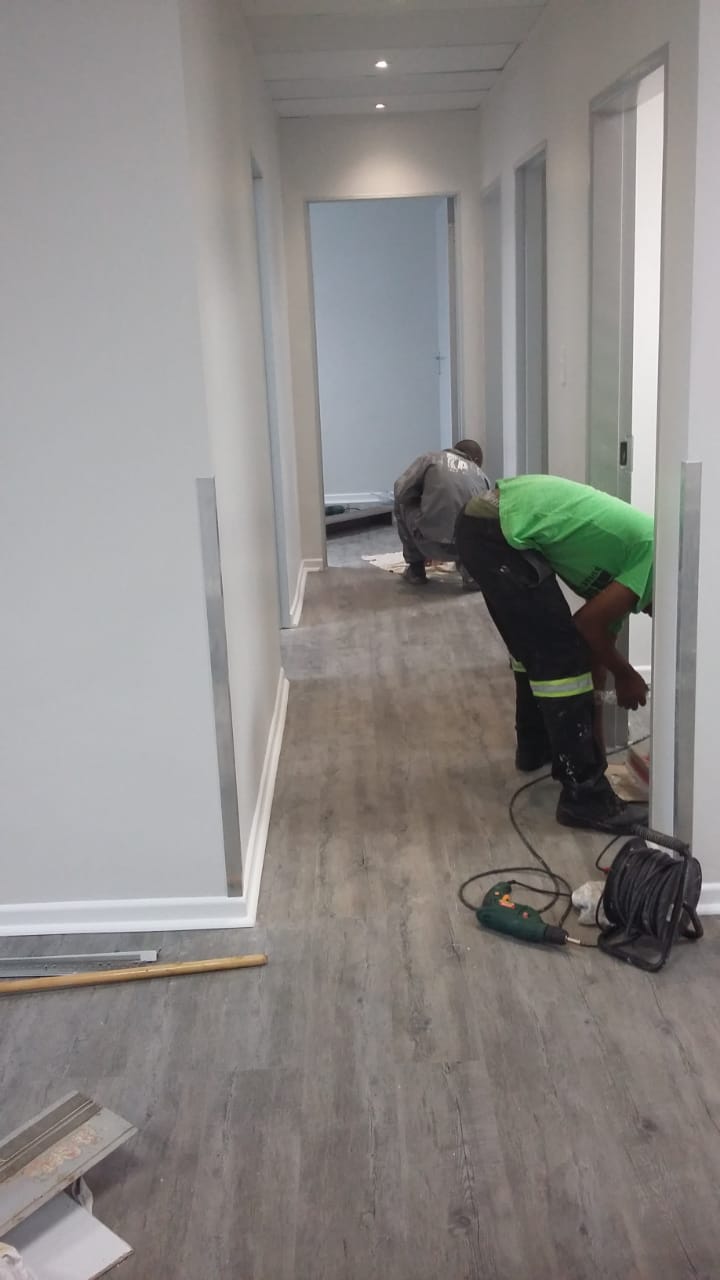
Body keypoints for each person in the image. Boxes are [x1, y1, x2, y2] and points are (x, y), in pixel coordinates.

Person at [455, 474, 652, 834]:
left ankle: (537, 747)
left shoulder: (629, 578)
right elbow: (585, 626)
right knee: (560, 656)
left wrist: (595, 751)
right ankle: (586, 800)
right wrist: (626, 674)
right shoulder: (653, 558)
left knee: (537, 647)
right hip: (497, 528)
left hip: (487, 523)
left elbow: (594, 658)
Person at [393, 440, 491, 586]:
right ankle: (471, 574)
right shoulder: (482, 476)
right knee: (476, 519)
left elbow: (400, 490)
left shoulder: (431, 459)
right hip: (465, 548)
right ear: (476, 460)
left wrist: (422, 500)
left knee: (401, 503)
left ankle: (416, 570)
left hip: (427, 541)